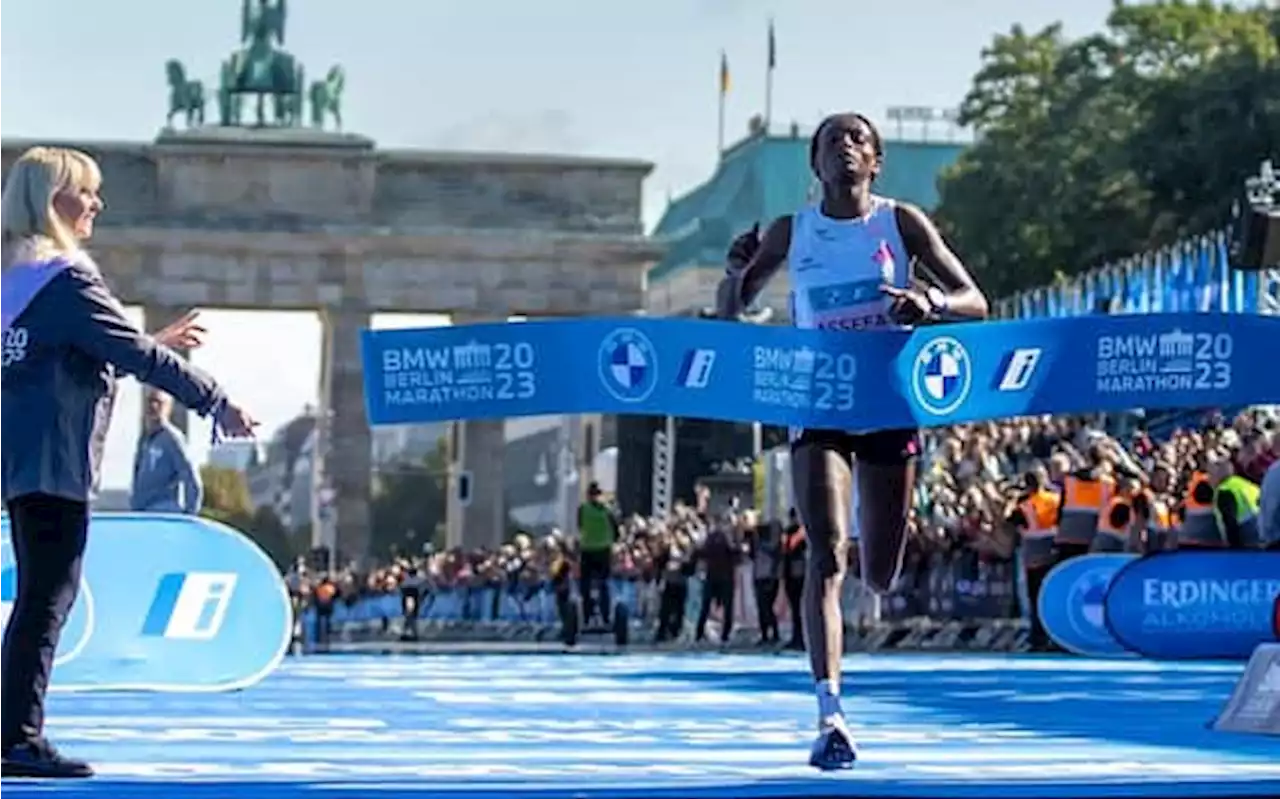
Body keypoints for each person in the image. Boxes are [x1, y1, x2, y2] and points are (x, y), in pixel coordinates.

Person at [715, 113, 988, 769]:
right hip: (819, 403)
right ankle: (830, 712)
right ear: (815, 165)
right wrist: (733, 273)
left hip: (889, 401)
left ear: (877, 161)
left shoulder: (902, 223)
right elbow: (730, 315)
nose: (845, 146)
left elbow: (975, 298)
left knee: (880, 569)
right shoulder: (792, 230)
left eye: (857, 139)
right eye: (831, 140)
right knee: (828, 555)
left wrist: (929, 303)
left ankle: (870, 578)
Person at [0, 146, 257, 778]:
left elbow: (70, 358)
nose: (96, 204)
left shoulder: (13, 279)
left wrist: (150, 342)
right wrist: (216, 401)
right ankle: (17, 736)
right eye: (85, 192)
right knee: (46, 598)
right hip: (54, 462)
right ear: (51, 200)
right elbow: (137, 360)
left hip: (16, 459)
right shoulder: (66, 279)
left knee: (37, 595)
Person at [131, 389, 203, 514]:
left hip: (164, 512)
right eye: (150, 402)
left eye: (159, 402)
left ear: (167, 407)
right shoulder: (144, 440)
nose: (153, 406)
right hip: (143, 513)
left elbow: (190, 477)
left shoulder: (172, 438)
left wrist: (190, 514)